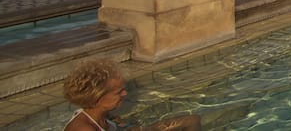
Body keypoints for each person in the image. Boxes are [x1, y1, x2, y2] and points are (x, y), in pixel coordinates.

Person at [63, 59, 200, 131]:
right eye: (119, 92)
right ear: (97, 98)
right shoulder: (83, 129)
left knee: (191, 120)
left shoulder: (100, 115)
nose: (125, 93)